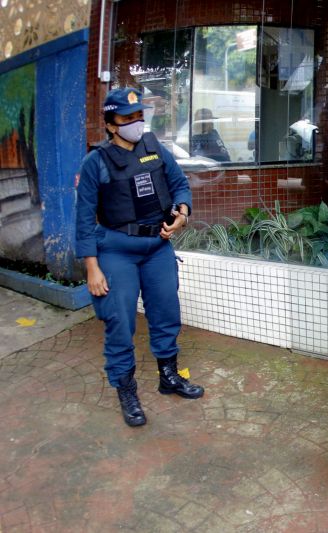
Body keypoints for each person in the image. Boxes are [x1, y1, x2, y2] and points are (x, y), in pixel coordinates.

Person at [76, 87, 205, 428]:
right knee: (120, 321)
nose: (135, 122)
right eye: (126, 118)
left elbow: (179, 184)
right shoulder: (96, 162)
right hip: (117, 249)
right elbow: (84, 217)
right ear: (110, 124)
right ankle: (126, 389)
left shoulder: (153, 147)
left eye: (138, 116)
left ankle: (169, 377)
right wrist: (92, 267)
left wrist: (182, 213)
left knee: (166, 312)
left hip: (157, 246)